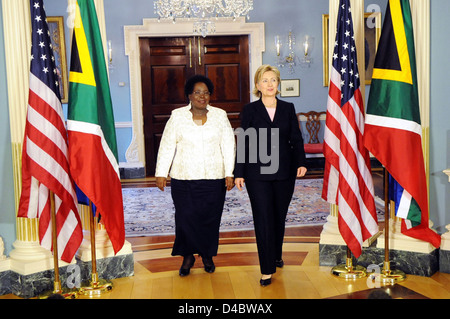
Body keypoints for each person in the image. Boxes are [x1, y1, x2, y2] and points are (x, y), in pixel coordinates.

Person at [155, 75, 235, 277]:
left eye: (206, 92)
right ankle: (188, 256)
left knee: (210, 218)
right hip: (184, 178)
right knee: (185, 219)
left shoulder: (220, 115)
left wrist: (229, 173)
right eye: (197, 92)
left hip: (214, 178)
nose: (202, 96)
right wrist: (161, 173)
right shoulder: (177, 116)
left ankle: (207, 255)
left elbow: (228, 145)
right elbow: (167, 144)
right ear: (189, 95)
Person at [234, 65, 307, 286]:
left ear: (278, 83)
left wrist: (301, 162)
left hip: (285, 172)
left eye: (273, 80)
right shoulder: (250, 110)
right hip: (257, 174)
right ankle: (267, 269)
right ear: (258, 85)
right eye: (264, 80)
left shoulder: (288, 107)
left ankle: (276, 254)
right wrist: (239, 172)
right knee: (263, 218)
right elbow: (244, 142)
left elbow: (296, 138)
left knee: (278, 216)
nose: (269, 84)